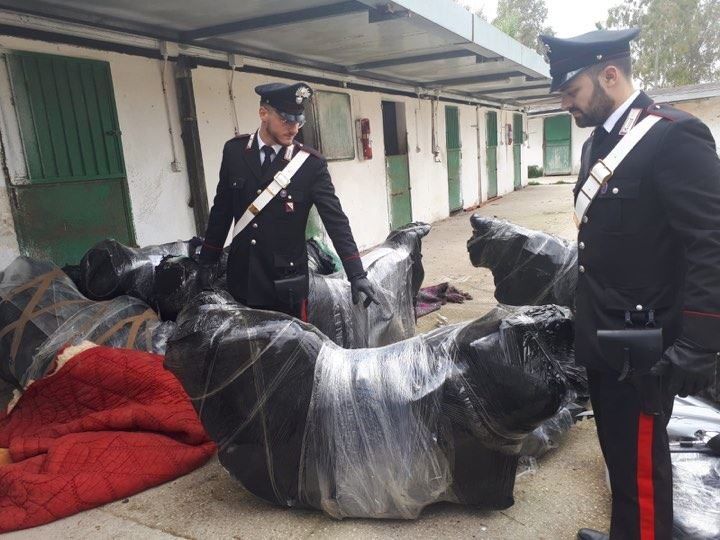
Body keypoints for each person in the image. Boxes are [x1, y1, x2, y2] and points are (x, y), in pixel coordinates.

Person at [539, 28, 720, 540]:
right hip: (605, 335)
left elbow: (711, 244)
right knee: (620, 454)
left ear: (610, 75)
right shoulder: (600, 140)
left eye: (572, 92)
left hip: (645, 344)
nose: (566, 104)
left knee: (642, 467)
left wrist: (701, 345)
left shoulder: (673, 136)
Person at [198, 81, 378, 320]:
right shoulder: (235, 152)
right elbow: (221, 211)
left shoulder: (311, 165)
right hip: (243, 278)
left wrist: (356, 274)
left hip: (285, 284)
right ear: (264, 113)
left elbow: (335, 221)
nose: (294, 128)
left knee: (287, 353)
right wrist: (207, 262)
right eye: (286, 119)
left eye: (298, 121)